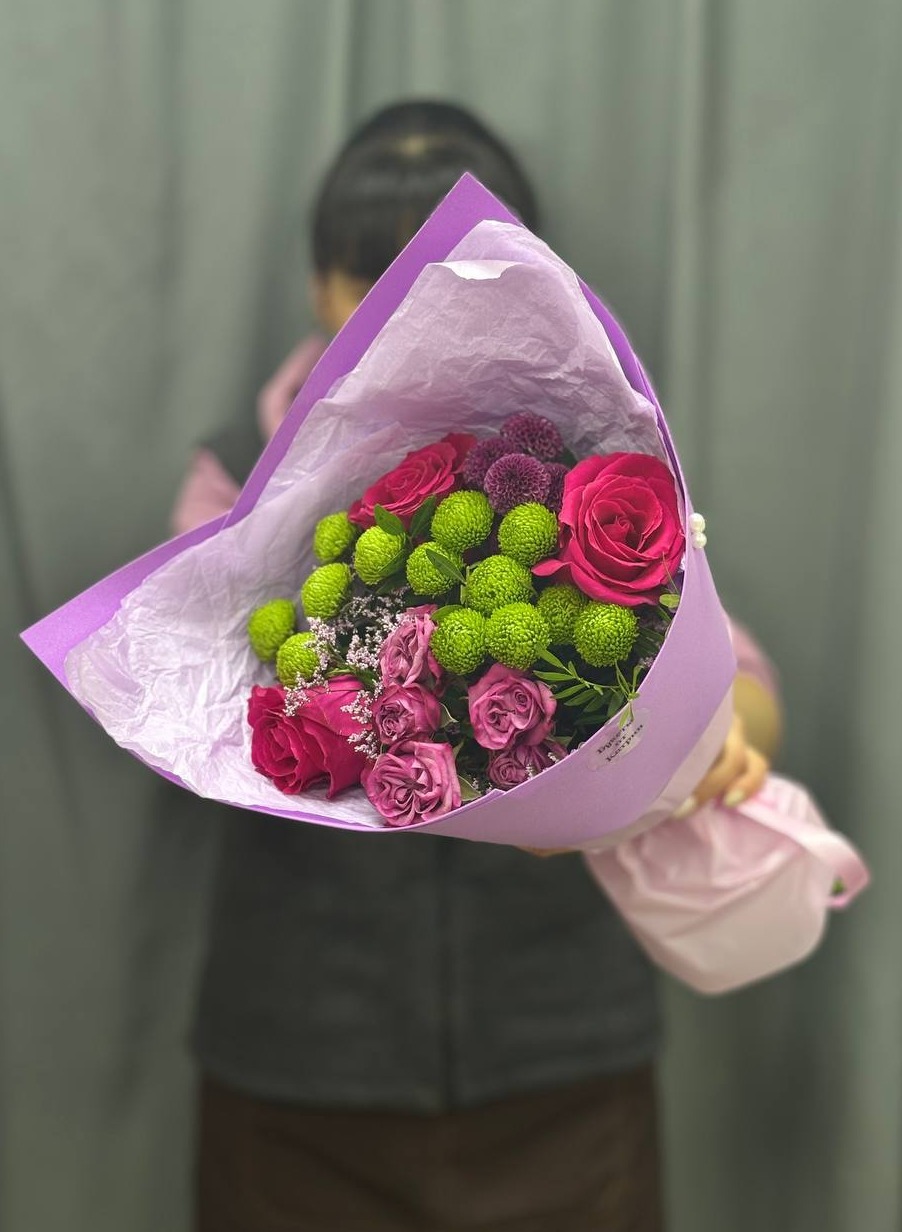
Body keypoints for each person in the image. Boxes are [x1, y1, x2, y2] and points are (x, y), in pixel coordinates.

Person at [172, 100, 781, 1232]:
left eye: (446, 273)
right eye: (372, 275)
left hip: (556, 1053)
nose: (405, 306)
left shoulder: (588, 455)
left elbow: (732, 667)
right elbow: (197, 694)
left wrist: (717, 735)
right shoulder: (236, 472)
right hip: (303, 1053)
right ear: (318, 285)